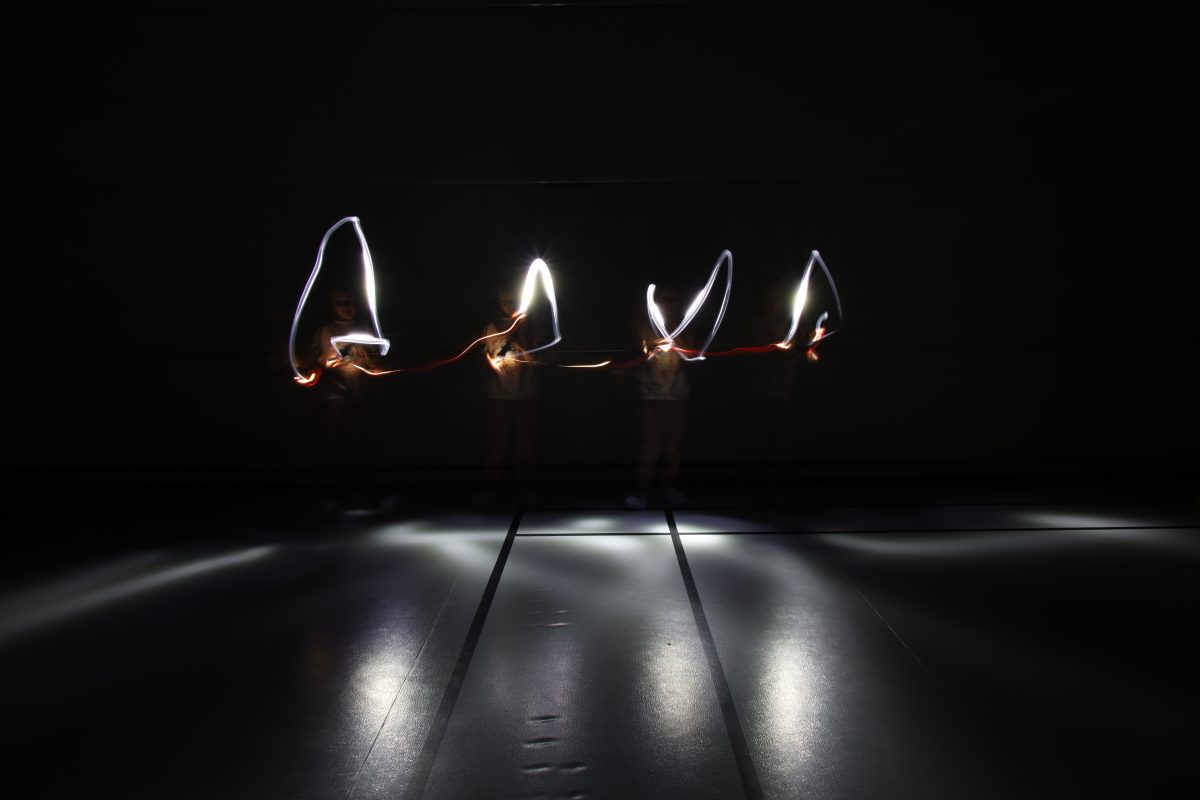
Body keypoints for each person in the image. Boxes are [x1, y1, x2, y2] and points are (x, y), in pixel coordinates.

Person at [624, 287, 690, 510]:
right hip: (651, 395)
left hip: (676, 395)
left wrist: (675, 332)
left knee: (673, 447)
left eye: (672, 300)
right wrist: (654, 344)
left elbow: (690, 351)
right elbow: (642, 349)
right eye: (663, 300)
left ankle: (668, 488)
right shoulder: (646, 325)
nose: (668, 305)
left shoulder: (683, 326)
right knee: (650, 447)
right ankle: (642, 490)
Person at [475, 287, 540, 507]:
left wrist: (518, 335)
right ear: (499, 302)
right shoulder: (491, 328)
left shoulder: (530, 326)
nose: (510, 305)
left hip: (525, 394)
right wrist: (490, 369)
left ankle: (524, 489)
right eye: (505, 301)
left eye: (513, 300)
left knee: (525, 444)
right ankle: (490, 490)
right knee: (496, 443)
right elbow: (484, 359)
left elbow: (538, 358)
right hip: (498, 394)